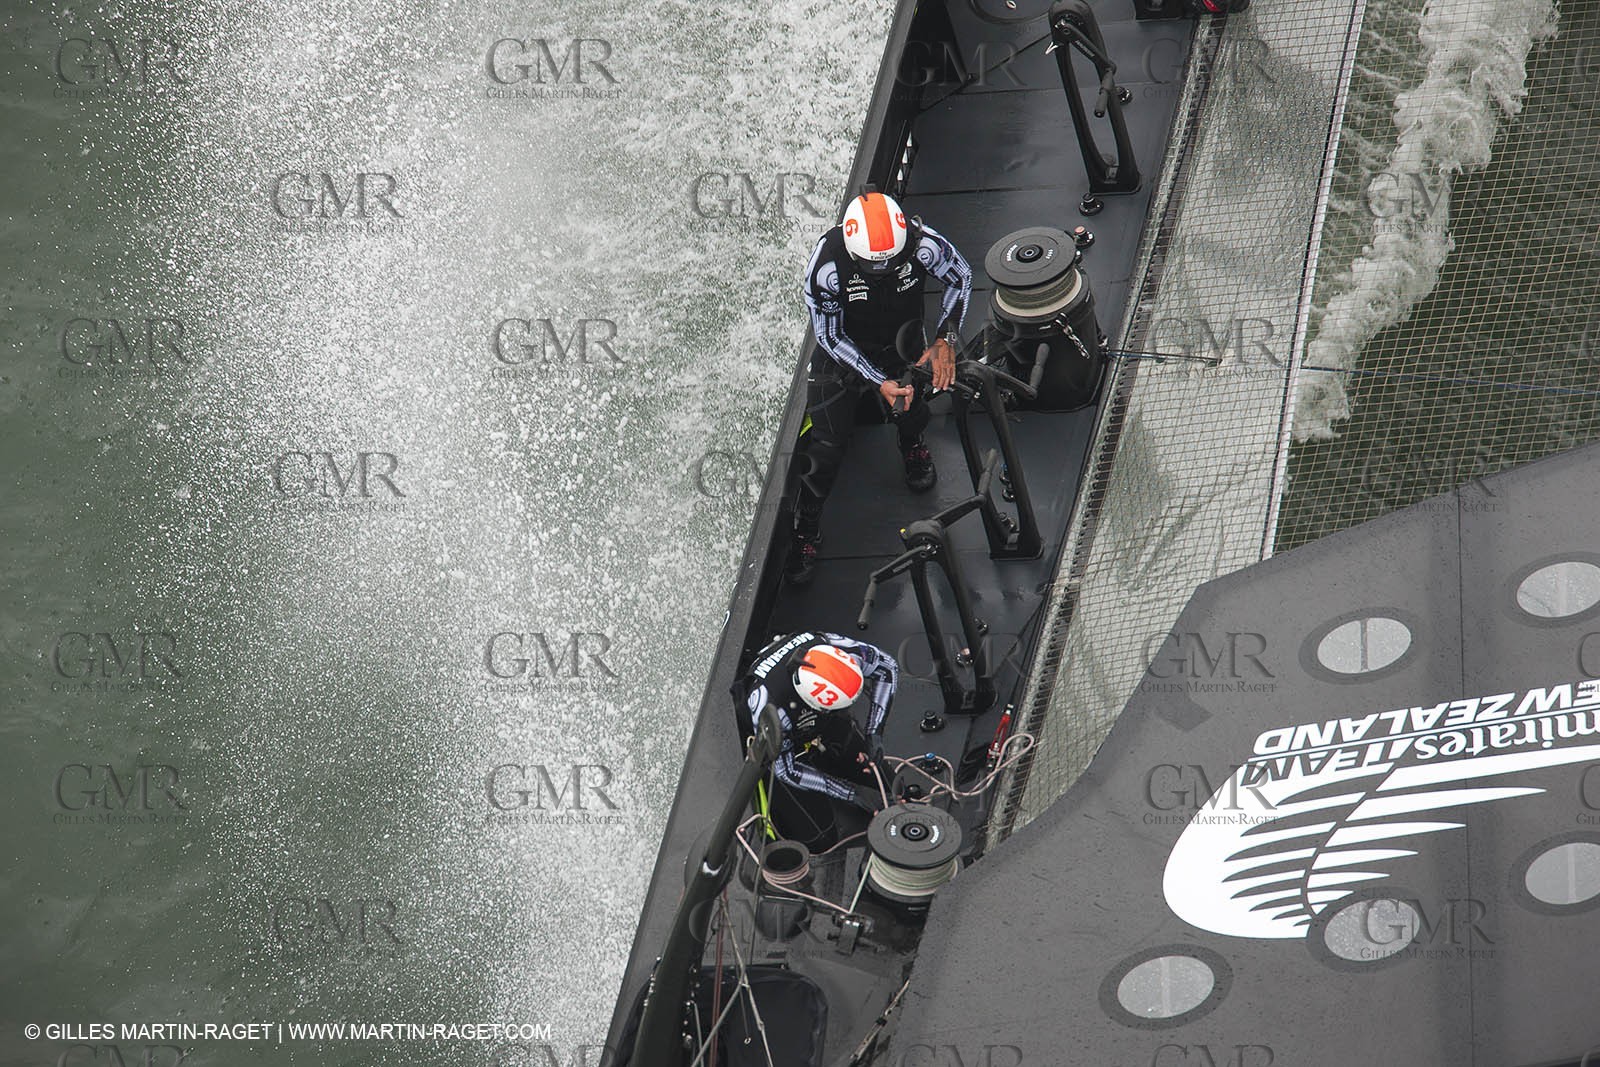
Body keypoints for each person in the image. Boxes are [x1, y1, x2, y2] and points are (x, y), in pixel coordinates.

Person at [790, 191, 973, 584]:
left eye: (892, 259)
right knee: (824, 446)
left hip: (899, 347)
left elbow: (962, 276)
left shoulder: (923, 244)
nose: (887, 268)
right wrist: (876, 380)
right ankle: (806, 526)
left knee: (911, 405)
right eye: (877, 264)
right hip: (843, 355)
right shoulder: (826, 266)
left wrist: (946, 339)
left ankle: (912, 445)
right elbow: (828, 335)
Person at [740, 630, 899, 847]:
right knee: (814, 834)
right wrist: (852, 793)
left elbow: (887, 667)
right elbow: (785, 770)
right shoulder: (771, 708)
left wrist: (874, 732)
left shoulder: (836, 646)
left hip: (822, 718)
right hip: (778, 736)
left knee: (886, 780)